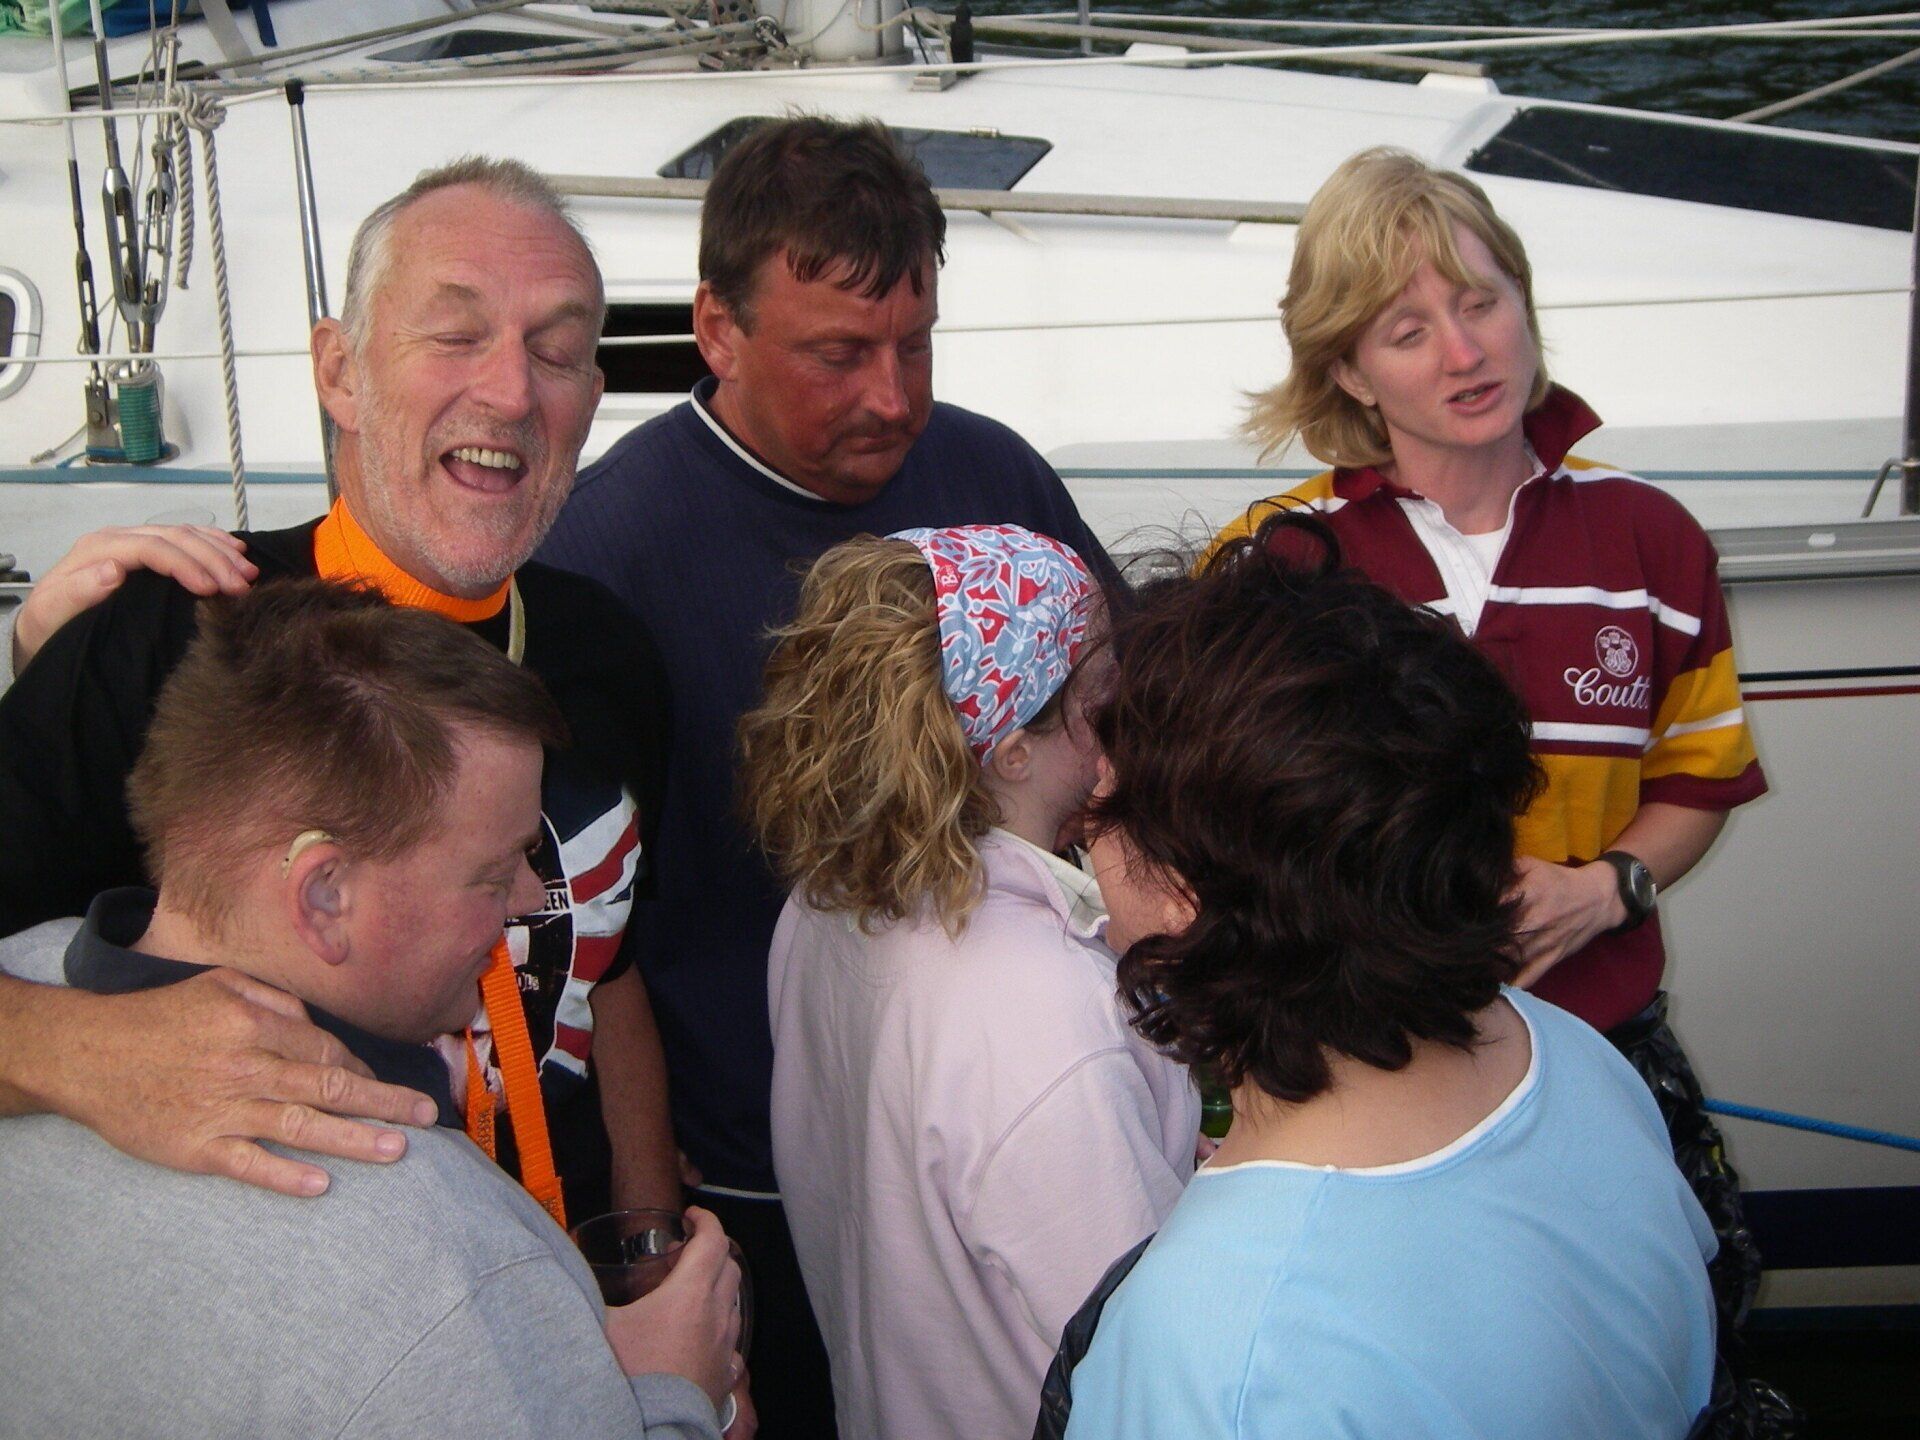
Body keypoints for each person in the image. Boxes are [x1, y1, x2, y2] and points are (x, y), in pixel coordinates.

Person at [536, 115, 1112, 1436]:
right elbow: (578, 916)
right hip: (756, 1188)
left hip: (1017, 1141)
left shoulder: (994, 472)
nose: (895, 398)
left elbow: (1128, 727)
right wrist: (650, 1218)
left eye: (917, 345)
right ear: (717, 330)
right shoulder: (607, 559)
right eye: (840, 354)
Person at [0, 157, 682, 1224]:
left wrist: (648, 1240)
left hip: (572, 1267)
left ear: (590, 402)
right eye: (454, 334)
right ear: (339, 371)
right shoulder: (167, 638)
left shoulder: (611, 651)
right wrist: (81, 1049)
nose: (511, 392)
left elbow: (611, 969)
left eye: (554, 352)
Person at [1208, 147, 1770, 1335]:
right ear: (1348, 369)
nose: (1466, 353)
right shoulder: (1278, 563)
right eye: (1407, 332)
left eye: (1481, 302)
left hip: (1602, 1045)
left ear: (1525, 302)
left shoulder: (1652, 540)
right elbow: (1221, 833)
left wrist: (1605, 890)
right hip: (1367, 1071)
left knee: (1668, 1333)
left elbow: (1697, 778)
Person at [0, 579, 744, 1440]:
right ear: (324, 898)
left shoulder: (28, 996)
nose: (527, 897)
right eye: (493, 872)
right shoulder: (444, 1270)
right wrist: (673, 1396)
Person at [1048, 513, 1717, 1439]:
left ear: (1184, 894)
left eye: (1104, 809)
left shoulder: (1219, 1350)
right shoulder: (1577, 1063)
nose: (1087, 835)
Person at [739, 526, 1195, 1440]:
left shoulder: (824, 906)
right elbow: (1154, 1362)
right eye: (1100, 680)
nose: (1125, 693)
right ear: (1013, 748)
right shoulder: (1044, 1013)